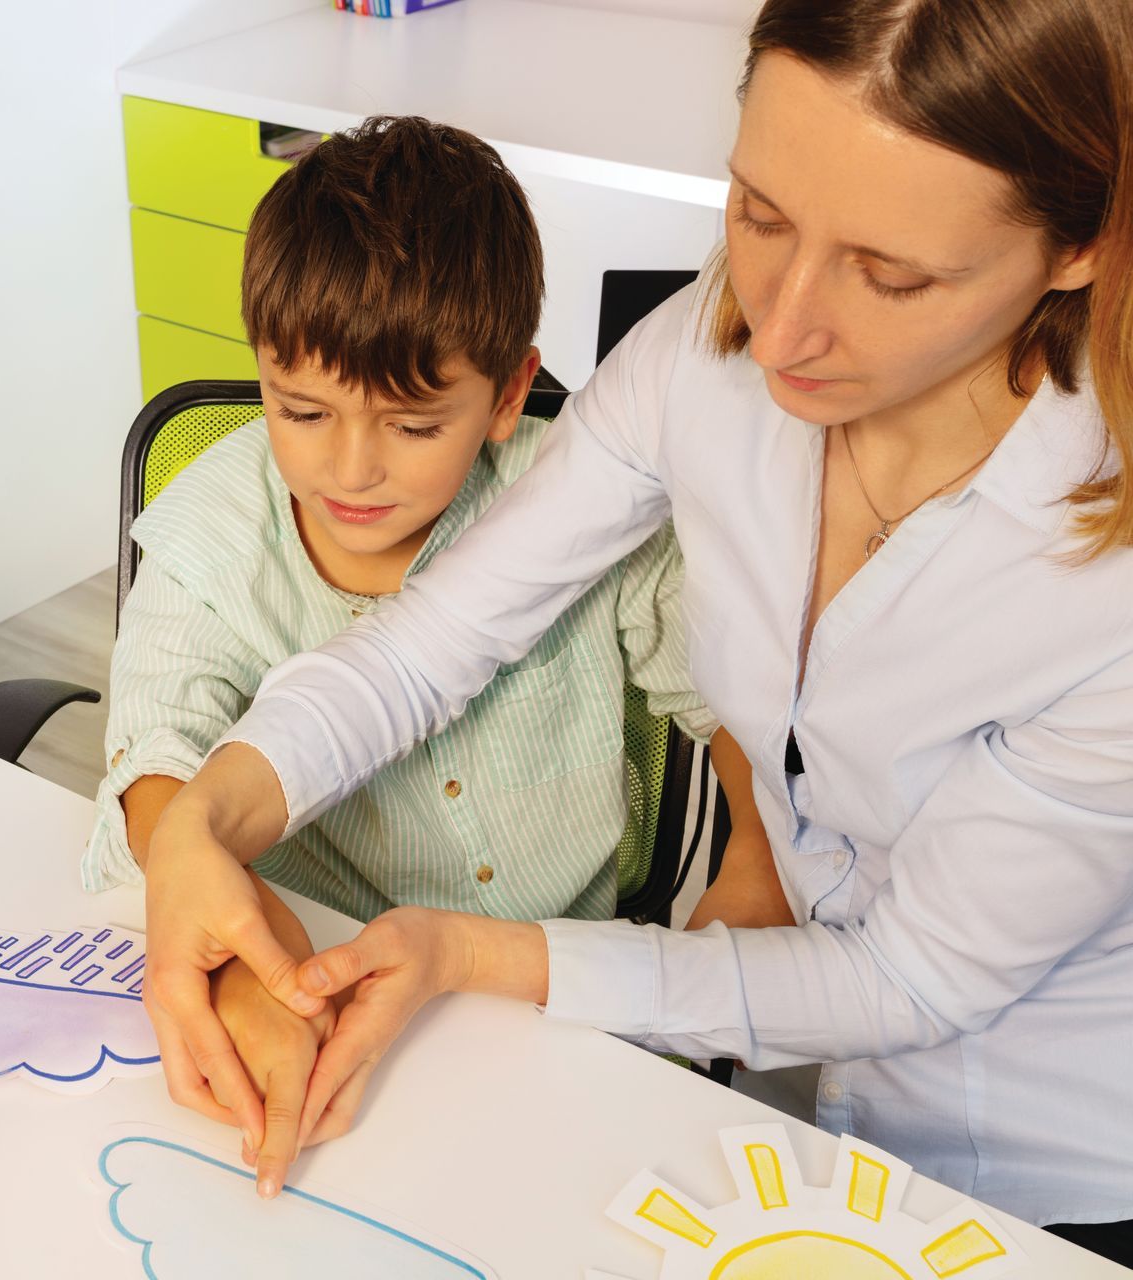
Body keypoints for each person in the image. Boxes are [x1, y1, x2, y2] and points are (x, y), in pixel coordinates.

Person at [139, 0, 1133, 1258]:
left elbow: (910, 980)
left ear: (1079, 246)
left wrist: (477, 954)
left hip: (1061, 1161)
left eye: (892, 276)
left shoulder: (1104, 588)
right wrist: (208, 817)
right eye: (759, 214)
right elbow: (433, 637)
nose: (775, 330)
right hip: (826, 1106)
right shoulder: (702, 360)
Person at [89, 116, 776, 1175]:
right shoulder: (214, 528)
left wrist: (757, 857)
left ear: (508, 395)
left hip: (543, 984)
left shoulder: (584, 503)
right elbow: (153, 749)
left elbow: (728, 700)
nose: (351, 467)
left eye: (412, 426)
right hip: (316, 968)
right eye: (301, 408)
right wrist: (234, 946)